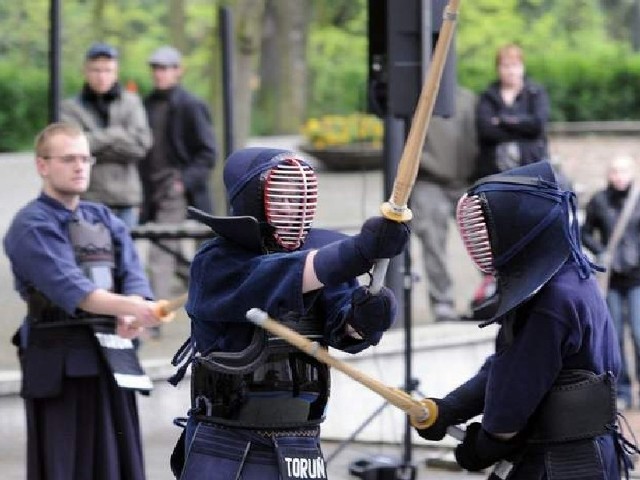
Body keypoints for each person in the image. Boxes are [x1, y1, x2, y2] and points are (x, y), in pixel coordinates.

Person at [168, 147, 410, 479]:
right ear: (253, 201)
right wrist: (356, 252)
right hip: (227, 440)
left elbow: (343, 326)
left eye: (297, 199)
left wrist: (364, 318)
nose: (290, 208)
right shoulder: (216, 261)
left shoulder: (319, 260)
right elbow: (282, 276)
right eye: (280, 198)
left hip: (300, 441)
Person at [413, 161, 635, 478]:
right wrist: (453, 407)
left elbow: (510, 408)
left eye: (492, 231)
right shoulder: (571, 274)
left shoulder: (549, 300)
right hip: (584, 455)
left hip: (564, 465)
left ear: (518, 230)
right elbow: (512, 365)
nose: (485, 241)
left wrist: (487, 444)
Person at [3, 122, 165, 480]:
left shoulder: (103, 217)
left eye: (85, 158)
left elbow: (132, 272)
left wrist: (135, 306)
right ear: (42, 165)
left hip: (112, 356)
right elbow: (75, 291)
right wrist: (132, 308)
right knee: (68, 466)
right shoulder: (30, 226)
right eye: (68, 159)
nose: (80, 167)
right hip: (59, 362)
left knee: (119, 463)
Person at [470, 43, 551, 317]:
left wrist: (502, 121)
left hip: (530, 181)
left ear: (523, 67)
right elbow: (484, 131)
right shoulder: (489, 95)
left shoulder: (535, 92)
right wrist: (518, 124)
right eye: (505, 65)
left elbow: (537, 125)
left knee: (530, 235)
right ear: (498, 68)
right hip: (496, 182)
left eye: (515, 65)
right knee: (497, 238)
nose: (511, 70)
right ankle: (500, 291)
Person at [140, 45, 217, 315]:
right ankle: (202, 288)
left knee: (161, 253)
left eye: (166, 68)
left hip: (177, 188)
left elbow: (208, 152)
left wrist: (182, 182)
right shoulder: (146, 104)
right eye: (156, 68)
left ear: (178, 71)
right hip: (151, 189)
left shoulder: (191, 105)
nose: (160, 74)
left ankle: (155, 315)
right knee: (165, 247)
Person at [60, 42, 152, 228]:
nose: (102, 76)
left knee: (124, 255)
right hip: (88, 197)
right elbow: (72, 147)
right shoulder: (70, 108)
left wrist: (94, 143)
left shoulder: (131, 103)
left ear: (116, 72)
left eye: (107, 70)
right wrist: (117, 134)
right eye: (96, 70)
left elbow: (142, 145)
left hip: (125, 199)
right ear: (85, 71)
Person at [412, 85, 478, 322]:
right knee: (433, 241)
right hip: (430, 180)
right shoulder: (416, 97)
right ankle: (442, 302)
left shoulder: (468, 99)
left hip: (467, 180)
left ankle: (494, 294)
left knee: (484, 239)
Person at [581, 155, 640, 410]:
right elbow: (584, 232)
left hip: (638, 278)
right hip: (612, 280)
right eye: (614, 171)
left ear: (633, 172)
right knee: (614, 336)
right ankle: (624, 390)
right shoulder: (599, 200)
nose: (619, 176)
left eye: (624, 170)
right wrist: (601, 250)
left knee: (639, 334)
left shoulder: (638, 201)